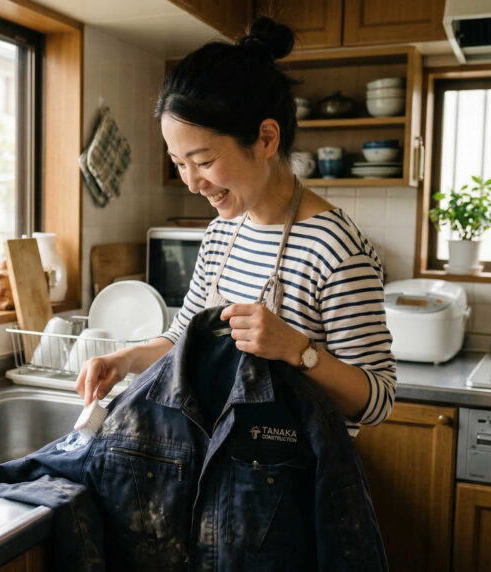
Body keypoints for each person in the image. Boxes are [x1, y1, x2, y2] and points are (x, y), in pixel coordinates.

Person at [75, 17, 396, 436]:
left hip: (296, 473)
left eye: (204, 162)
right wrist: (124, 360)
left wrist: (298, 350)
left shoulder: (335, 249)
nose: (192, 183)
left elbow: (378, 401)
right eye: (179, 164)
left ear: (266, 139)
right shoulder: (220, 234)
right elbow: (181, 338)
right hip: (217, 461)